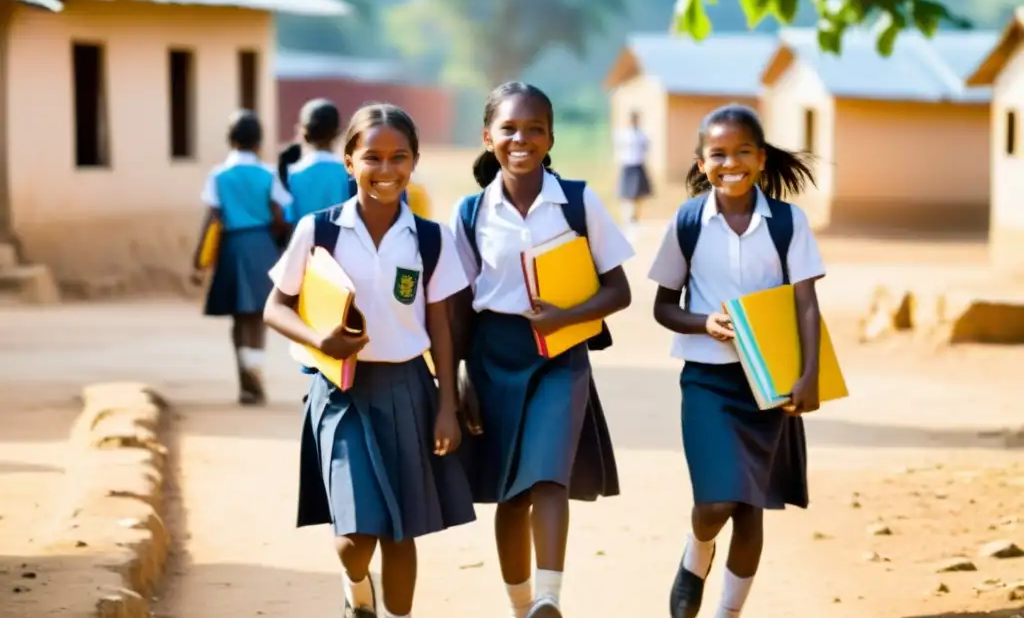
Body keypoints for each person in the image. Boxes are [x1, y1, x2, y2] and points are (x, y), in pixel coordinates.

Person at [263, 103, 475, 618]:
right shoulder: (320, 231)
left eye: (398, 158)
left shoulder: (430, 239)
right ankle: (356, 586)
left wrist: (449, 404)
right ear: (349, 162)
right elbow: (276, 307)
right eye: (372, 158)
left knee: (402, 531)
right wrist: (320, 339)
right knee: (356, 537)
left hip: (408, 391)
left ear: (415, 160)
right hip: (341, 394)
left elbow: (442, 329)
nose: (386, 170)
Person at [449, 82, 634, 618]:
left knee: (549, 474)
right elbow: (460, 305)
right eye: (508, 129)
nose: (521, 139)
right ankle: (522, 606)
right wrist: (457, 376)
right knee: (511, 493)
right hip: (492, 358)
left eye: (534, 129)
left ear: (551, 137)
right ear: (488, 137)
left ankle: (549, 600)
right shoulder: (470, 212)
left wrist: (566, 317)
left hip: (561, 354)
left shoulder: (576, 201)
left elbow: (617, 290)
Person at [646, 103, 824, 618]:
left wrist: (808, 374)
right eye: (718, 154)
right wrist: (704, 323)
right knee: (716, 503)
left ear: (761, 158)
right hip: (707, 382)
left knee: (750, 512)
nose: (731, 163)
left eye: (743, 152)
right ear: (702, 163)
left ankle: (727, 612)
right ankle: (697, 549)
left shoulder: (788, 222)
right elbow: (662, 307)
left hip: (769, 382)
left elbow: (805, 303)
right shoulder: (687, 222)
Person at [191, 109, 292, 405]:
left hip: (231, 246)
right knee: (260, 316)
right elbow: (279, 213)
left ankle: (245, 383)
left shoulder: (218, 175)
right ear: (259, 141)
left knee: (238, 319)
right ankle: (255, 374)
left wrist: (200, 259)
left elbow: (213, 218)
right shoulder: (269, 173)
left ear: (229, 139)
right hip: (262, 246)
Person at [285, 98, 351, 221]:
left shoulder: (293, 174)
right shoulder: (347, 173)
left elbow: (290, 219)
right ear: (338, 132)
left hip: (305, 239)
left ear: (303, 133)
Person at [614, 110, 653, 241]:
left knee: (638, 194)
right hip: (627, 165)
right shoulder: (623, 135)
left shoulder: (642, 135)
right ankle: (627, 218)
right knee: (626, 194)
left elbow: (647, 147)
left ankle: (635, 218)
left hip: (638, 165)